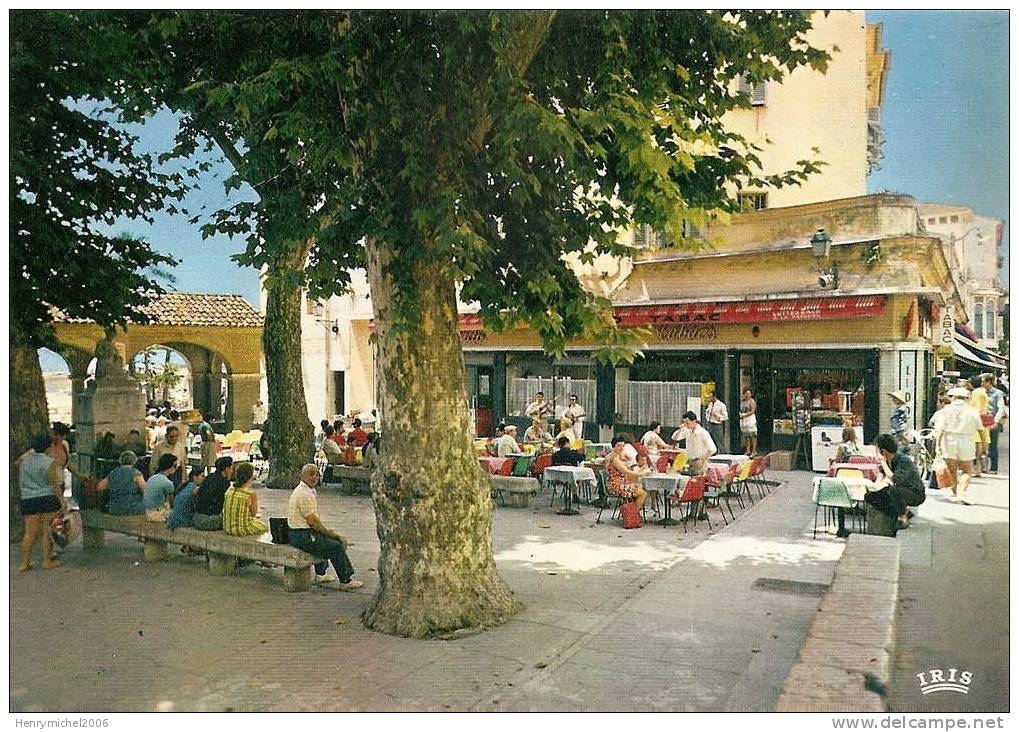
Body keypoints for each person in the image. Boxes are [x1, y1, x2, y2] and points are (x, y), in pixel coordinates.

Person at [287, 463, 362, 589]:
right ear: (302, 476)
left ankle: (321, 573)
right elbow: (313, 522)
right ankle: (346, 580)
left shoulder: (307, 490)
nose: (315, 477)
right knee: (336, 546)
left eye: (317, 474)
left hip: (299, 533)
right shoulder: (304, 494)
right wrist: (334, 534)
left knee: (323, 539)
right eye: (311, 474)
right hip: (301, 535)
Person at [17, 434, 65, 571]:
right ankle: (46, 560)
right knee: (46, 531)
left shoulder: (24, 461)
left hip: (28, 498)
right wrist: (62, 500)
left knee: (29, 533)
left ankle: (24, 563)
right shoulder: (49, 462)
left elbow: (17, 462)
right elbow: (53, 484)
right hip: (46, 499)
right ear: (48, 446)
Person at [933, 387, 982, 503]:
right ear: (967, 398)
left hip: (949, 440)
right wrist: (982, 446)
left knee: (952, 469)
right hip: (967, 440)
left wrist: (937, 446)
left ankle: (956, 493)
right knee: (966, 469)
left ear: (952, 397)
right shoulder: (973, 411)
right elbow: (980, 430)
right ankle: (961, 493)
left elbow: (939, 430)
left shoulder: (945, 410)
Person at [871, 433, 926, 529]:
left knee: (893, 490)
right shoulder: (888, 460)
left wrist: (883, 462)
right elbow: (882, 475)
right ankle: (905, 512)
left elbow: (895, 478)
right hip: (900, 490)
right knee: (871, 496)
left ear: (882, 451)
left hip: (915, 493)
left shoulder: (903, 460)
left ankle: (902, 518)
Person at [605, 436, 650, 513]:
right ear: (613, 446)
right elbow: (627, 472)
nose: (621, 448)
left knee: (641, 488)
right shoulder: (614, 458)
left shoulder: (614, 456)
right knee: (644, 493)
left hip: (618, 482)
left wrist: (640, 471)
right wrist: (643, 473)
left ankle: (631, 513)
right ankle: (633, 515)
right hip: (616, 485)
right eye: (619, 445)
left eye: (623, 445)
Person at [223, 462, 268, 536]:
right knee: (264, 526)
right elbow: (253, 514)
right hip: (241, 529)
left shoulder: (229, 490)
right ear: (250, 477)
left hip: (227, 527)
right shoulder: (250, 494)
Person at [98, 450, 147, 516]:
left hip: (114, 508)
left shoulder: (113, 473)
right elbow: (146, 490)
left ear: (120, 460)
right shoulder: (136, 474)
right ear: (134, 461)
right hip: (131, 507)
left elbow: (99, 487)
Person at [193, 456, 234, 530]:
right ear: (226, 469)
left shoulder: (209, 477)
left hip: (197, 518)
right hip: (209, 520)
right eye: (231, 468)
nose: (232, 471)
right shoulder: (224, 483)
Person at [671, 411, 717, 476]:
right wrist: (680, 430)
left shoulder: (702, 432)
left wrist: (702, 458)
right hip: (690, 461)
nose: (686, 425)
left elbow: (712, 449)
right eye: (684, 423)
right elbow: (675, 438)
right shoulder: (687, 431)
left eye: (687, 423)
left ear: (694, 421)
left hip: (700, 461)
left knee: (698, 480)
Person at [150, 424, 187, 489]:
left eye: (176, 436)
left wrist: (183, 479)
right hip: (163, 474)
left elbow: (183, 465)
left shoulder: (180, 447)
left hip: (176, 474)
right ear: (167, 436)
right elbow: (153, 465)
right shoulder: (159, 447)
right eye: (172, 436)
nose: (174, 438)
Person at [144, 453, 178, 522]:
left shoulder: (152, 478)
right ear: (169, 466)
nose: (176, 468)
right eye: (175, 466)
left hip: (147, 511)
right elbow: (172, 504)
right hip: (157, 514)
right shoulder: (168, 483)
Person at [984, 373, 1007, 474]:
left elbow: (1001, 408)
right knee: (982, 444)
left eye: (983, 381)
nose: (981, 383)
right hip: (982, 420)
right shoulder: (981, 392)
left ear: (989, 382)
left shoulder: (998, 393)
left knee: (993, 444)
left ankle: (993, 468)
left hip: (992, 420)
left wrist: (996, 421)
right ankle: (983, 467)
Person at [968, 376, 990, 477]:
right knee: (981, 447)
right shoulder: (983, 392)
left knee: (975, 448)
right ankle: (980, 469)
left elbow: (976, 408)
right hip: (983, 421)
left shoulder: (976, 393)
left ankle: (975, 470)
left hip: (976, 422)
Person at [739, 388, 759, 456]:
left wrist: (744, 415)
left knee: (752, 436)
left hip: (750, 419)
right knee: (746, 436)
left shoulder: (752, 401)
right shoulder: (742, 401)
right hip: (744, 420)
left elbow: (752, 411)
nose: (748, 395)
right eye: (746, 393)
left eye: (749, 393)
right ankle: (748, 450)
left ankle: (754, 450)